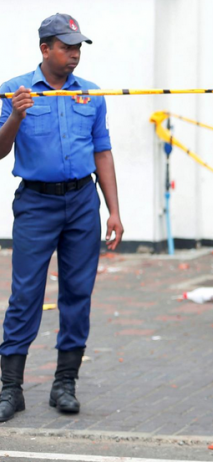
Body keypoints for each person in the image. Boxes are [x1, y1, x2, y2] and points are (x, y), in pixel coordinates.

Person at [0, 13, 123, 422]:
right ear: (44, 48)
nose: (74, 54)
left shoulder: (90, 95)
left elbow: (102, 151)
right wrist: (16, 114)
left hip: (82, 202)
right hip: (36, 203)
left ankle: (64, 383)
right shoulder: (13, 91)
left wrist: (114, 211)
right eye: (66, 46)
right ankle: (10, 389)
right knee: (26, 295)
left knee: (77, 294)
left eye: (78, 47)